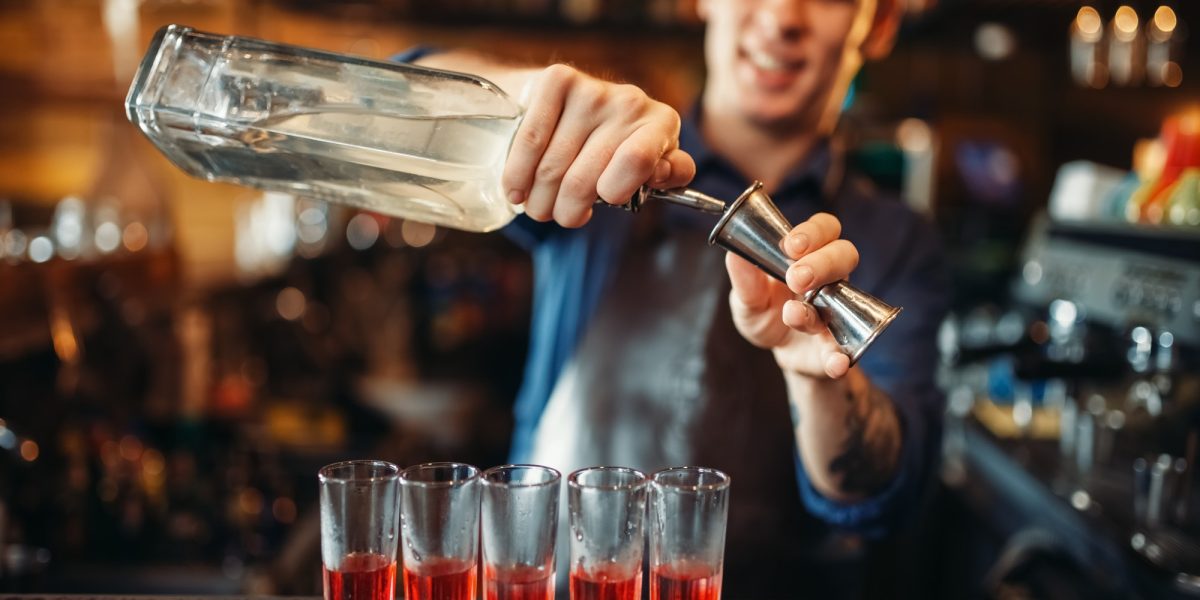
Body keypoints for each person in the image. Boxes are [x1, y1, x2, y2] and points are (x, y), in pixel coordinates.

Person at [403, 0, 948, 596]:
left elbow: (885, 498)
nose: (782, 17)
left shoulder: (900, 241)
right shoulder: (602, 158)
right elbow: (399, 99)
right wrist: (530, 100)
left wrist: (819, 378)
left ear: (881, 24)